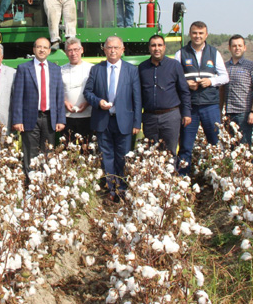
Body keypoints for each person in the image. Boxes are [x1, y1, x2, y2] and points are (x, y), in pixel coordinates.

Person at [84, 36, 141, 201]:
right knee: (106, 155)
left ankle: (122, 188)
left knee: (123, 156)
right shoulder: (97, 70)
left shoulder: (131, 70)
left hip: (125, 121)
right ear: (104, 49)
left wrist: (137, 122)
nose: (113, 50)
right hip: (104, 120)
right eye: (109, 47)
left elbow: (137, 99)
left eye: (116, 47)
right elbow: (88, 92)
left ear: (123, 50)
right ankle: (111, 189)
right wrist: (98, 102)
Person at [175, 21, 229, 175]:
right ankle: (183, 179)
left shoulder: (214, 53)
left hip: (210, 105)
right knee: (185, 145)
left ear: (206, 35)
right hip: (189, 106)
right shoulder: (181, 53)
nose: (197, 36)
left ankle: (220, 177)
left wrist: (211, 81)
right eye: (194, 33)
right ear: (190, 34)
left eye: (200, 33)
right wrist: (186, 84)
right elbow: (175, 78)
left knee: (216, 143)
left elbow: (225, 77)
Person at [12, 37, 66, 181]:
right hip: (30, 118)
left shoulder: (55, 69)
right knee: (30, 152)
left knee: (48, 152)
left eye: (45, 47)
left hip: (49, 118)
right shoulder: (24, 68)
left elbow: (59, 95)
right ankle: (31, 186)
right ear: (34, 49)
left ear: (49, 51)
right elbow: (17, 96)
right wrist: (17, 120)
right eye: (38, 47)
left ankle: (46, 185)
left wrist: (61, 119)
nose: (42, 50)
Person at [138, 35, 192, 157]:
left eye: (159, 45)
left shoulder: (175, 65)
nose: (157, 48)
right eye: (153, 45)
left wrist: (186, 113)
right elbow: (139, 94)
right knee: (151, 152)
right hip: (149, 118)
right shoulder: (142, 68)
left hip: (170, 117)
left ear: (164, 47)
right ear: (149, 48)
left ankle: (172, 175)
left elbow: (184, 91)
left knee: (170, 152)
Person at [220, 35, 253, 145]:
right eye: (234, 46)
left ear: (245, 47)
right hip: (228, 113)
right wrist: (220, 111)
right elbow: (221, 90)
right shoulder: (223, 67)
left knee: (244, 145)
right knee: (229, 145)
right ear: (229, 48)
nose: (237, 48)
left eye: (240, 45)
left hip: (244, 113)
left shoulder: (252, 67)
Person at [61, 37, 93, 144]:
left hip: (88, 116)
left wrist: (87, 103)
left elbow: (97, 91)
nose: (73, 53)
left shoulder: (92, 69)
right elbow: (55, 92)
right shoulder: (60, 70)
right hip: (67, 117)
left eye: (76, 50)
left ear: (82, 50)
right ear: (65, 52)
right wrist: (64, 103)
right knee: (68, 149)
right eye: (70, 50)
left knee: (87, 149)